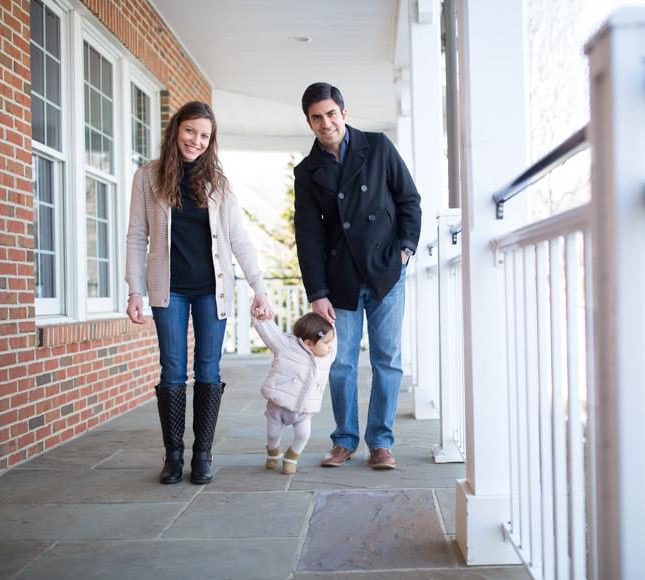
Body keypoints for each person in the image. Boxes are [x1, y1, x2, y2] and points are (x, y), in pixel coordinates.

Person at [125, 101, 273, 485]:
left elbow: (238, 238)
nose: (196, 140)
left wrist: (259, 287)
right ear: (177, 129)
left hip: (213, 291)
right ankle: (173, 455)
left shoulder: (218, 183)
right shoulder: (147, 177)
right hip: (168, 290)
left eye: (205, 135)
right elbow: (137, 236)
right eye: (190, 130)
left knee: (208, 369)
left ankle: (202, 454)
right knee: (172, 370)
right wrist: (134, 290)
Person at [293, 82, 422, 470]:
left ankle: (380, 442)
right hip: (340, 280)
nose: (325, 122)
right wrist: (317, 291)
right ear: (309, 122)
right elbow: (308, 235)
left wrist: (403, 252)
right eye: (317, 117)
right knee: (342, 363)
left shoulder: (378, 146)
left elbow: (408, 199)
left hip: (386, 273)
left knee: (387, 360)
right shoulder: (307, 171)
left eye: (331, 113)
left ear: (344, 113)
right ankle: (344, 440)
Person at [252, 312, 336, 474]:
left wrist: (332, 318)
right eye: (326, 342)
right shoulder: (286, 346)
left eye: (330, 342)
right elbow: (269, 333)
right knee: (272, 434)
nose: (330, 346)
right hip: (278, 405)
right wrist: (259, 317)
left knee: (304, 434)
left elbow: (334, 338)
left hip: (303, 408)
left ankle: (291, 457)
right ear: (308, 344)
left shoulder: (327, 357)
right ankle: (273, 451)